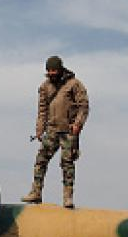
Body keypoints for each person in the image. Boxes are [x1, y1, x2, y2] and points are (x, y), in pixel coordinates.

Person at [21, 55, 89, 209]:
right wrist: (40, 129)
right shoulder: (45, 87)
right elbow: (42, 110)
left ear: (60, 69)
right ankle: (36, 192)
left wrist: (78, 124)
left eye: (54, 70)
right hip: (52, 130)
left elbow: (83, 106)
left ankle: (67, 197)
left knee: (67, 163)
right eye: (49, 70)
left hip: (69, 130)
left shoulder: (74, 84)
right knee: (41, 160)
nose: (51, 73)